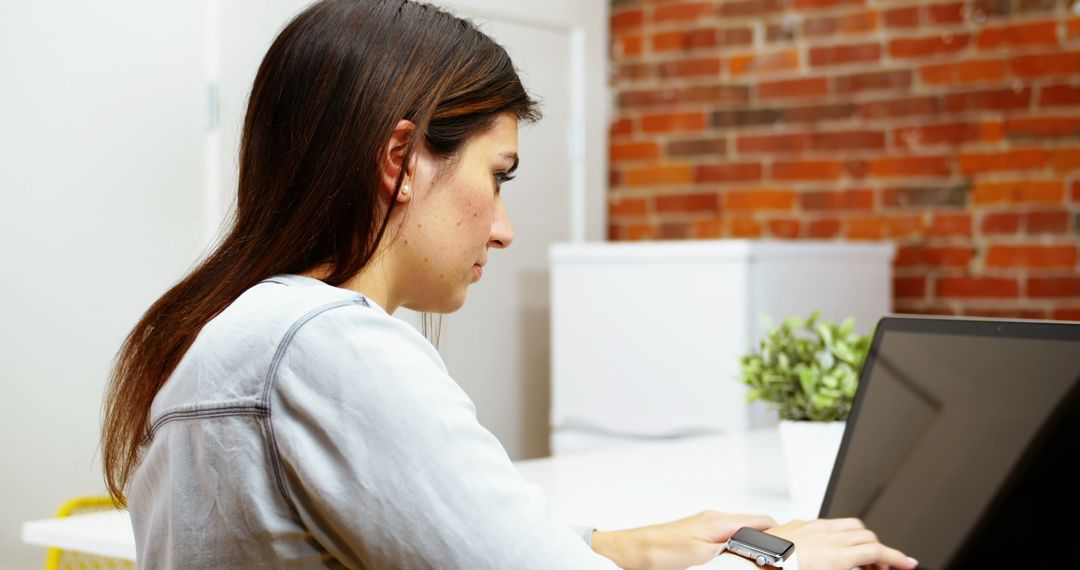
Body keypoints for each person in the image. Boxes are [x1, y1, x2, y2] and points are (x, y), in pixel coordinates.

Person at [100, 1, 920, 568]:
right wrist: (788, 564)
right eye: (498, 175)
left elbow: (415, 536)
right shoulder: (326, 345)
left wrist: (617, 546)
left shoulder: (233, 330)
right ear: (401, 160)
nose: (503, 226)